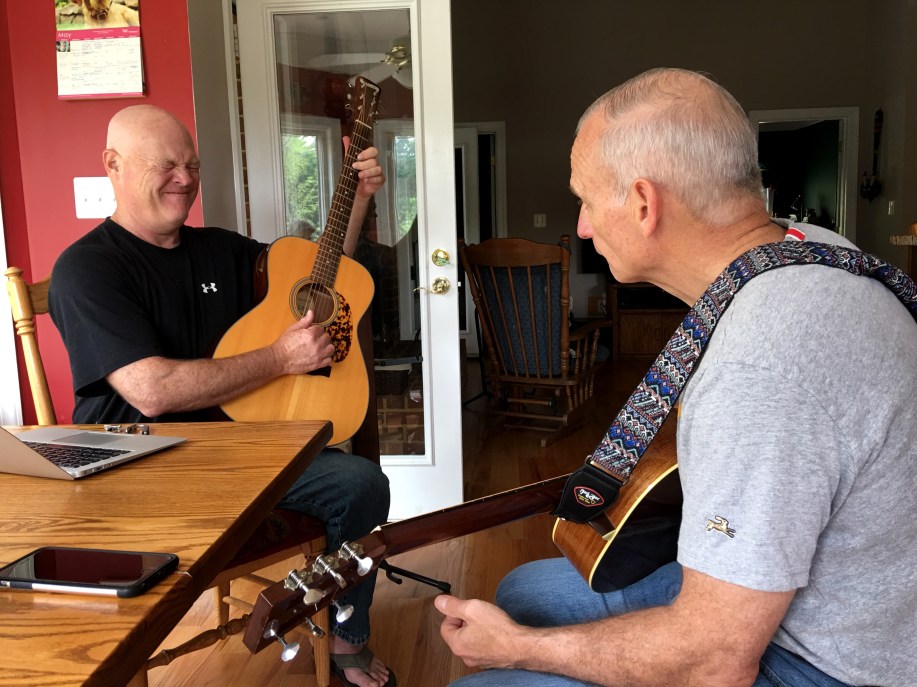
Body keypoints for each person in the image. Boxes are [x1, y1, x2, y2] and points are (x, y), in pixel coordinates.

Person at [435, 68, 917, 686]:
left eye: (586, 200)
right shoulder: (812, 246)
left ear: (644, 204)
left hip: (831, 662)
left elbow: (718, 662)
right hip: (838, 595)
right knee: (524, 590)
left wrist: (518, 649)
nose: (582, 226)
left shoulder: (759, 364)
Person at [49, 104, 394, 687]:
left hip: (243, 448)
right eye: (166, 165)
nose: (184, 179)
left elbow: (320, 277)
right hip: (140, 468)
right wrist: (280, 358)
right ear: (113, 164)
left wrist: (356, 198)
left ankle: (346, 634)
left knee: (361, 484)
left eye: (192, 165)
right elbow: (152, 390)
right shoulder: (87, 268)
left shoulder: (220, 249)